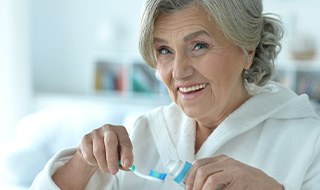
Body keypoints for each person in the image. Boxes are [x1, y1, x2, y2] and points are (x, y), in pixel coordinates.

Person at [31, 0, 320, 189]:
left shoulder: (308, 141)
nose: (179, 72)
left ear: (247, 50)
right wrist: (83, 161)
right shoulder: (144, 137)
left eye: (199, 46)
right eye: (164, 51)